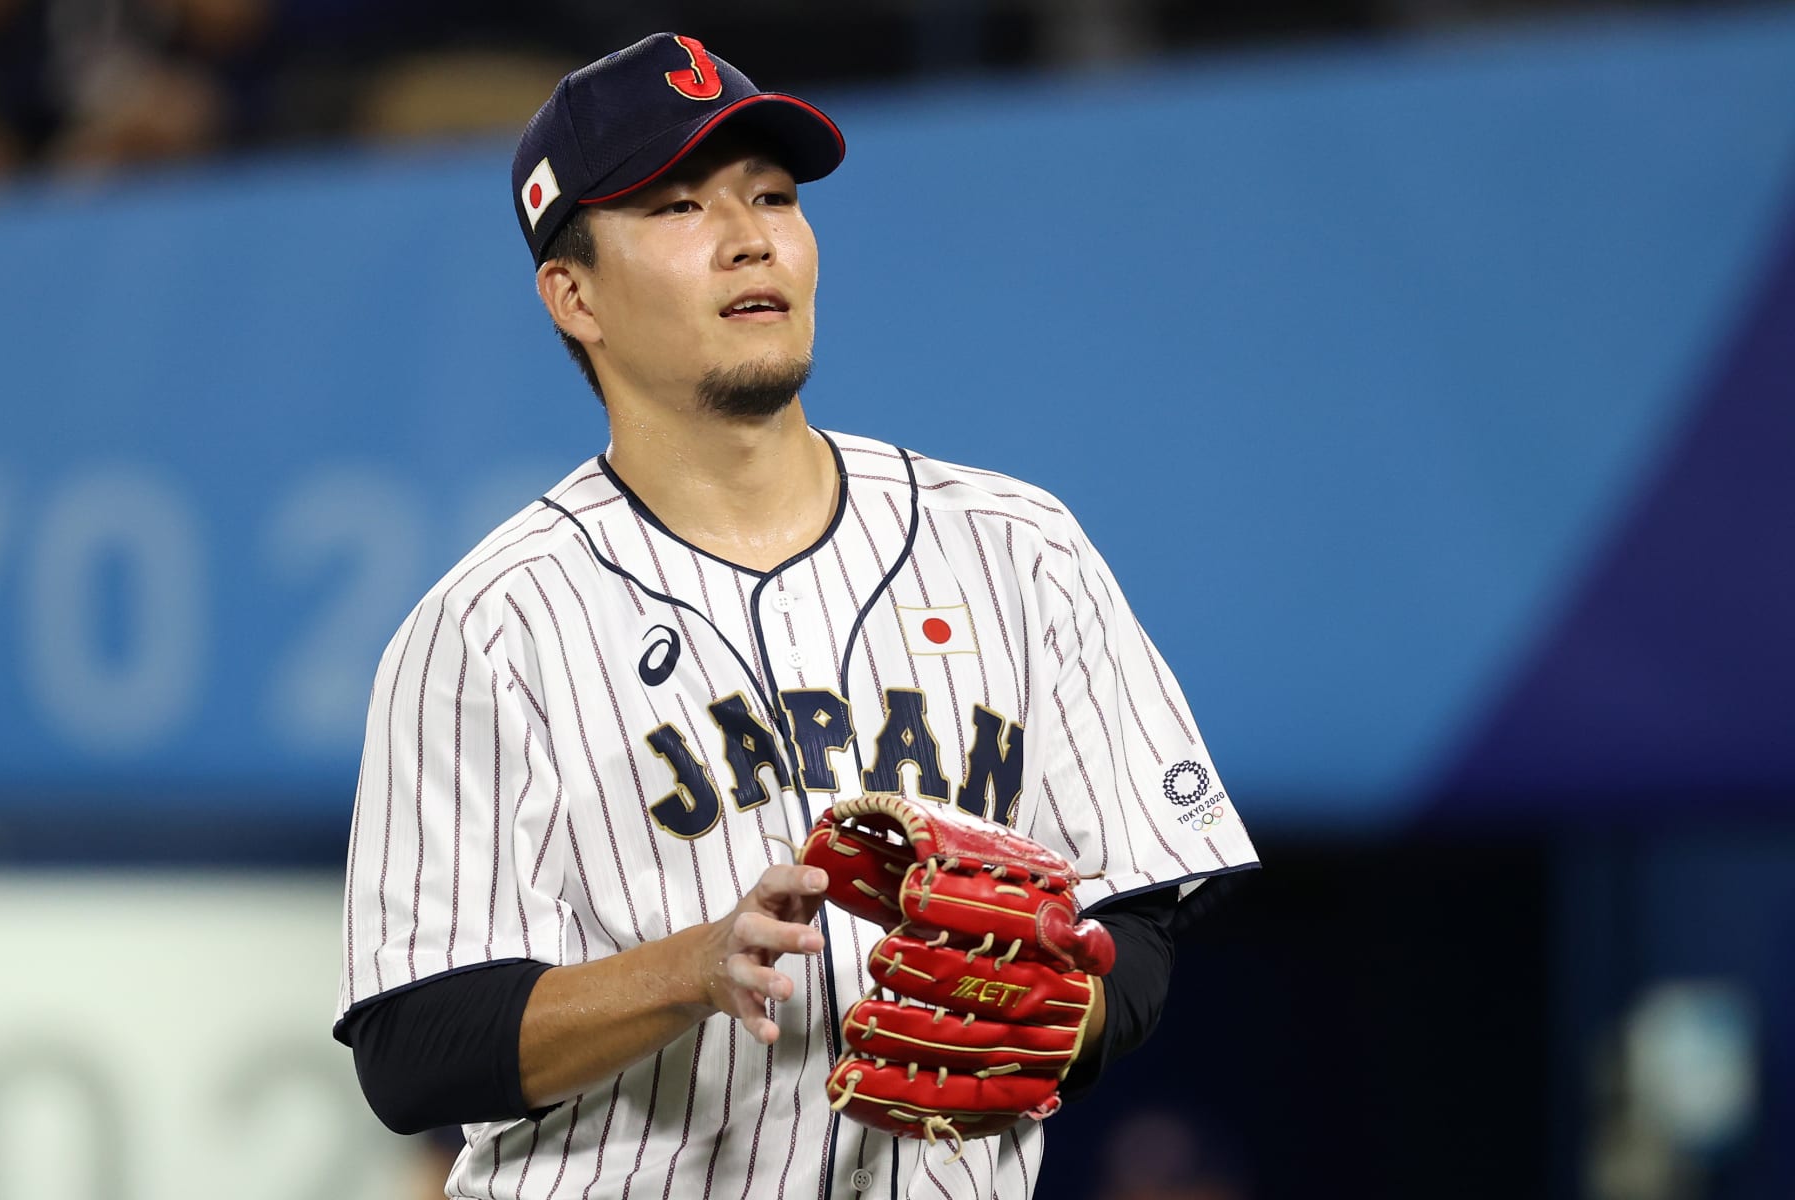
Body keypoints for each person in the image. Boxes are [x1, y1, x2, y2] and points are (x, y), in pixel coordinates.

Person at [333, 31, 1259, 1200]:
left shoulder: (1019, 547)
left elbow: (1138, 913)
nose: (750, 236)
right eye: (677, 207)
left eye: (772, 195)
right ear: (574, 295)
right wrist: (688, 969)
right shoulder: (488, 627)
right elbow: (410, 1052)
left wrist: (1057, 1017)